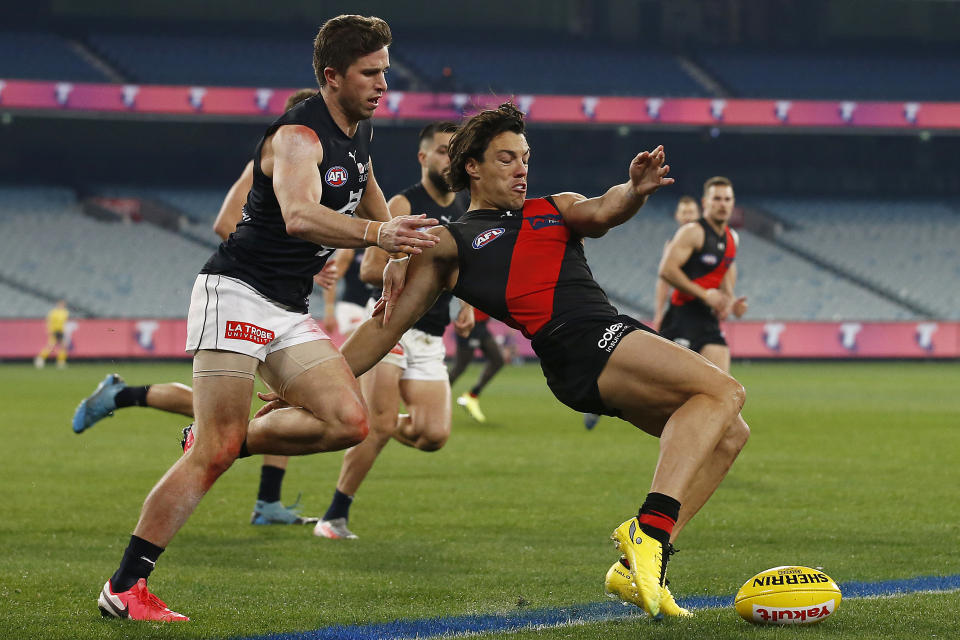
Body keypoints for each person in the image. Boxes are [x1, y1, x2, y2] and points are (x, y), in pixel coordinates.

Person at [323, 103, 750, 619]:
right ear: (473, 167)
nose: (521, 168)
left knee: (730, 432)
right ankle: (649, 530)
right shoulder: (451, 240)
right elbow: (384, 325)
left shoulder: (557, 206)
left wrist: (634, 190)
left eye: (525, 157)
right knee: (726, 391)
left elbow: (606, 208)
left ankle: (641, 561)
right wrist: (322, 378)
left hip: (596, 345)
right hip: (581, 342)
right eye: (506, 159)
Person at [96, 15, 439, 622]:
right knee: (214, 451)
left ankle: (224, 440)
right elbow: (301, 216)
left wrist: (390, 251)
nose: (384, 83)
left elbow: (365, 187)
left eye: (386, 70)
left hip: (285, 304)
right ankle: (125, 587)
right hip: (236, 291)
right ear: (333, 77)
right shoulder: (298, 138)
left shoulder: (357, 129)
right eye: (370, 72)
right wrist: (379, 234)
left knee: (347, 421)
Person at [73, 88, 328, 526]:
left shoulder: (331, 170)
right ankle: (124, 395)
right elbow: (225, 222)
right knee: (252, 414)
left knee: (281, 407)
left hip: (287, 298)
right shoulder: (273, 160)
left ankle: (266, 502)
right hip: (248, 295)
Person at [315, 121, 473, 540]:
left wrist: (467, 303)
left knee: (433, 435)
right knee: (383, 426)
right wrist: (407, 265)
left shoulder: (464, 212)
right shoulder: (404, 203)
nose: (448, 159)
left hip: (431, 336)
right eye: (441, 151)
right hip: (393, 325)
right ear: (423, 158)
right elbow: (369, 267)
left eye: (453, 153)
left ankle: (370, 421)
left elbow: (463, 270)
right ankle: (333, 517)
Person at [583, 195, 700, 430]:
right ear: (677, 216)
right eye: (683, 212)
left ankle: (698, 419)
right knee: (661, 372)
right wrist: (658, 313)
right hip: (680, 317)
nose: (687, 217)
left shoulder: (706, 241)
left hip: (702, 319)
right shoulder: (675, 245)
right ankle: (604, 400)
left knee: (703, 374)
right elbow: (664, 282)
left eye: (691, 212)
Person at [657, 176, 748, 373]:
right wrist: (705, 295)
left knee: (723, 387)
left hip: (708, 319)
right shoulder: (692, 232)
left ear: (733, 203)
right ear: (705, 202)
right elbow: (666, 270)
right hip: (682, 315)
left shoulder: (733, 238)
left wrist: (731, 303)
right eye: (717, 199)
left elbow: (724, 272)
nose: (722, 204)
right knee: (676, 392)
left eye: (727, 199)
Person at [447, 308, 503, 423]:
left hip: (481, 325)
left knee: (497, 360)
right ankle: (435, 400)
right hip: (469, 322)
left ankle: (472, 396)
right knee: (460, 367)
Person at [34, 299, 69, 369]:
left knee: (63, 346)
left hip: (61, 331)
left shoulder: (65, 312)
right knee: (51, 346)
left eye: (63, 304)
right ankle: (40, 359)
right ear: (58, 304)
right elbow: (49, 321)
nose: (62, 305)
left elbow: (65, 323)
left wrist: (65, 331)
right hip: (54, 330)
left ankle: (61, 362)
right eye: (61, 304)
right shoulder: (53, 312)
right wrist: (49, 330)